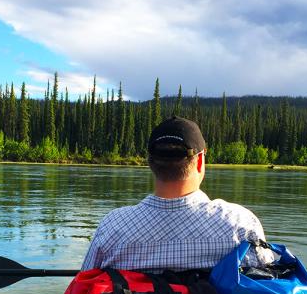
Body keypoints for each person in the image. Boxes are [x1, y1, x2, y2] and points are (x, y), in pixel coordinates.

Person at [81, 116, 273, 272]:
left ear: (150, 162)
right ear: (199, 161)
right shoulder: (240, 224)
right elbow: (269, 292)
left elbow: (82, 288)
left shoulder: (113, 226)